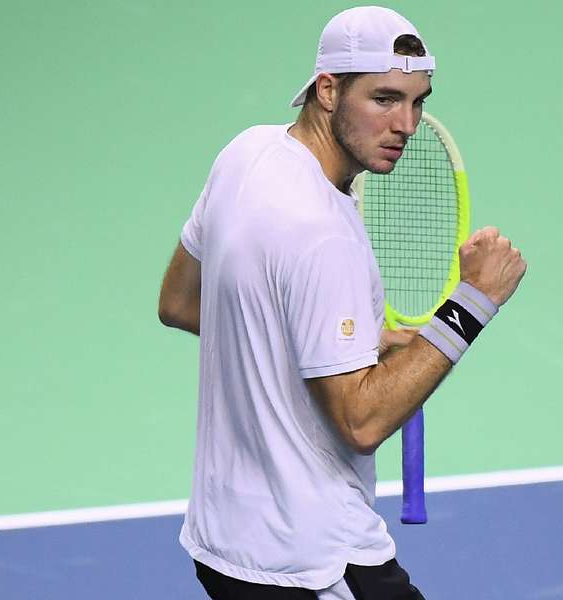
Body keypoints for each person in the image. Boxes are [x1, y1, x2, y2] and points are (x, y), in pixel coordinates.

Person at [157, 6, 527, 600]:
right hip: (317, 563)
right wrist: (472, 303)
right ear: (327, 90)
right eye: (384, 99)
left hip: (224, 544)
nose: (405, 123)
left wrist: (345, 344)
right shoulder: (324, 234)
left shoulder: (245, 154)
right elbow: (361, 420)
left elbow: (178, 301)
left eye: (417, 101)